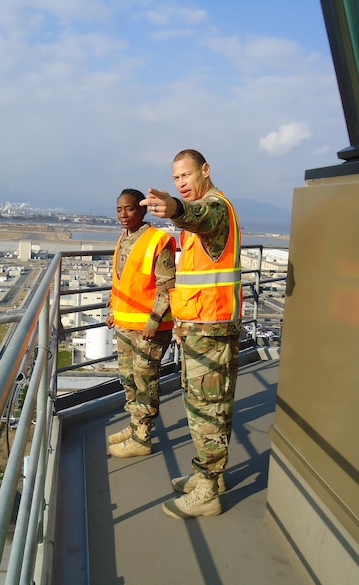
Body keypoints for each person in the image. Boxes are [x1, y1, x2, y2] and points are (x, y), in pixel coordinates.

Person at [142, 149, 242, 518]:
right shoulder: (207, 214)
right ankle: (209, 477)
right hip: (202, 326)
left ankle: (208, 490)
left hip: (211, 328)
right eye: (176, 179)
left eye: (186, 175)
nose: (182, 183)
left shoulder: (214, 209)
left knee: (207, 410)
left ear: (205, 170)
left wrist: (178, 209)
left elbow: (199, 216)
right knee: (207, 405)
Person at [105, 188, 176, 458]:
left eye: (130, 208)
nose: (123, 214)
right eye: (119, 209)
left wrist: (154, 322)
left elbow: (166, 287)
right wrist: (113, 310)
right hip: (125, 324)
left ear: (142, 210)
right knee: (129, 381)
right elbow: (122, 281)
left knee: (145, 381)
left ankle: (143, 437)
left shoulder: (159, 240)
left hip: (149, 328)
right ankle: (135, 425)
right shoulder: (125, 238)